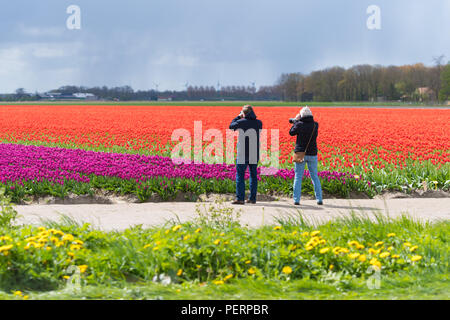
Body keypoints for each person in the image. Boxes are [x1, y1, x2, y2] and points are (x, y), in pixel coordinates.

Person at [289, 106, 323, 206]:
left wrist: (295, 120)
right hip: (312, 153)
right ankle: (319, 199)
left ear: (302, 115)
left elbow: (291, 132)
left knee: (298, 177)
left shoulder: (299, 124)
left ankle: (296, 200)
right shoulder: (315, 125)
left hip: (300, 153)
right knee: (314, 176)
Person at [229, 105, 263, 205]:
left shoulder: (241, 122)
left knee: (240, 175)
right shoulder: (259, 123)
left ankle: (240, 198)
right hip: (254, 152)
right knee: (253, 175)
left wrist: (239, 116)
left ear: (244, 113)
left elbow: (231, 126)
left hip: (242, 153)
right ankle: (252, 198)